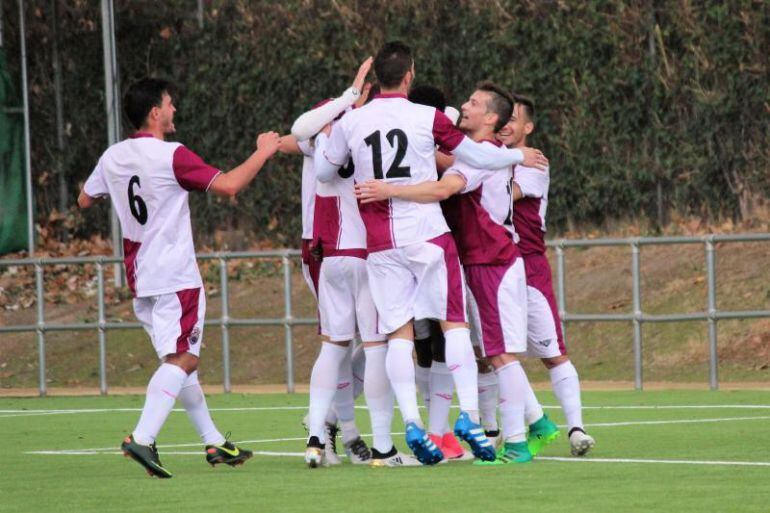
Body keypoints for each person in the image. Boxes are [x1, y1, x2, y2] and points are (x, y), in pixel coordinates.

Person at [316, 41, 548, 464]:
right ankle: (470, 417)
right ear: (409, 75)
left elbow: (324, 169)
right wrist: (518, 154)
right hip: (428, 235)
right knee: (454, 325)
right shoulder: (429, 117)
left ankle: (411, 422)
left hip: (381, 243)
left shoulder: (353, 121)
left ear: (377, 78)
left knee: (398, 336)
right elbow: (475, 155)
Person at [78, 78, 280, 478]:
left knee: (180, 363)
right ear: (155, 112)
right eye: (170, 104)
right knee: (185, 358)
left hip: (141, 278)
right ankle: (142, 437)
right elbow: (230, 186)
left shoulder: (113, 155)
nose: (174, 110)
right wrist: (263, 151)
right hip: (175, 277)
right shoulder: (172, 154)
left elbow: (85, 199)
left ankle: (214, 441)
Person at [278, 59, 380, 467]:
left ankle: (327, 430)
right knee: (369, 344)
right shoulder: (339, 123)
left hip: (341, 246)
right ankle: (353, 434)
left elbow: (295, 137)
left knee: (345, 344)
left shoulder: (341, 128)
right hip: (337, 245)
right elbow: (296, 135)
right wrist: (347, 98)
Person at [497, 94, 595, 456]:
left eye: (513, 119)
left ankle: (576, 429)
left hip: (529, 266)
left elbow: (501, 197)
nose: (505, 125)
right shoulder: (494, 157)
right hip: (495, 266)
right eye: (502, 118)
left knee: (552, 352)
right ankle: (526, 423)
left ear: (528, 127)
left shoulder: (533, 163)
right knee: (494, 353)